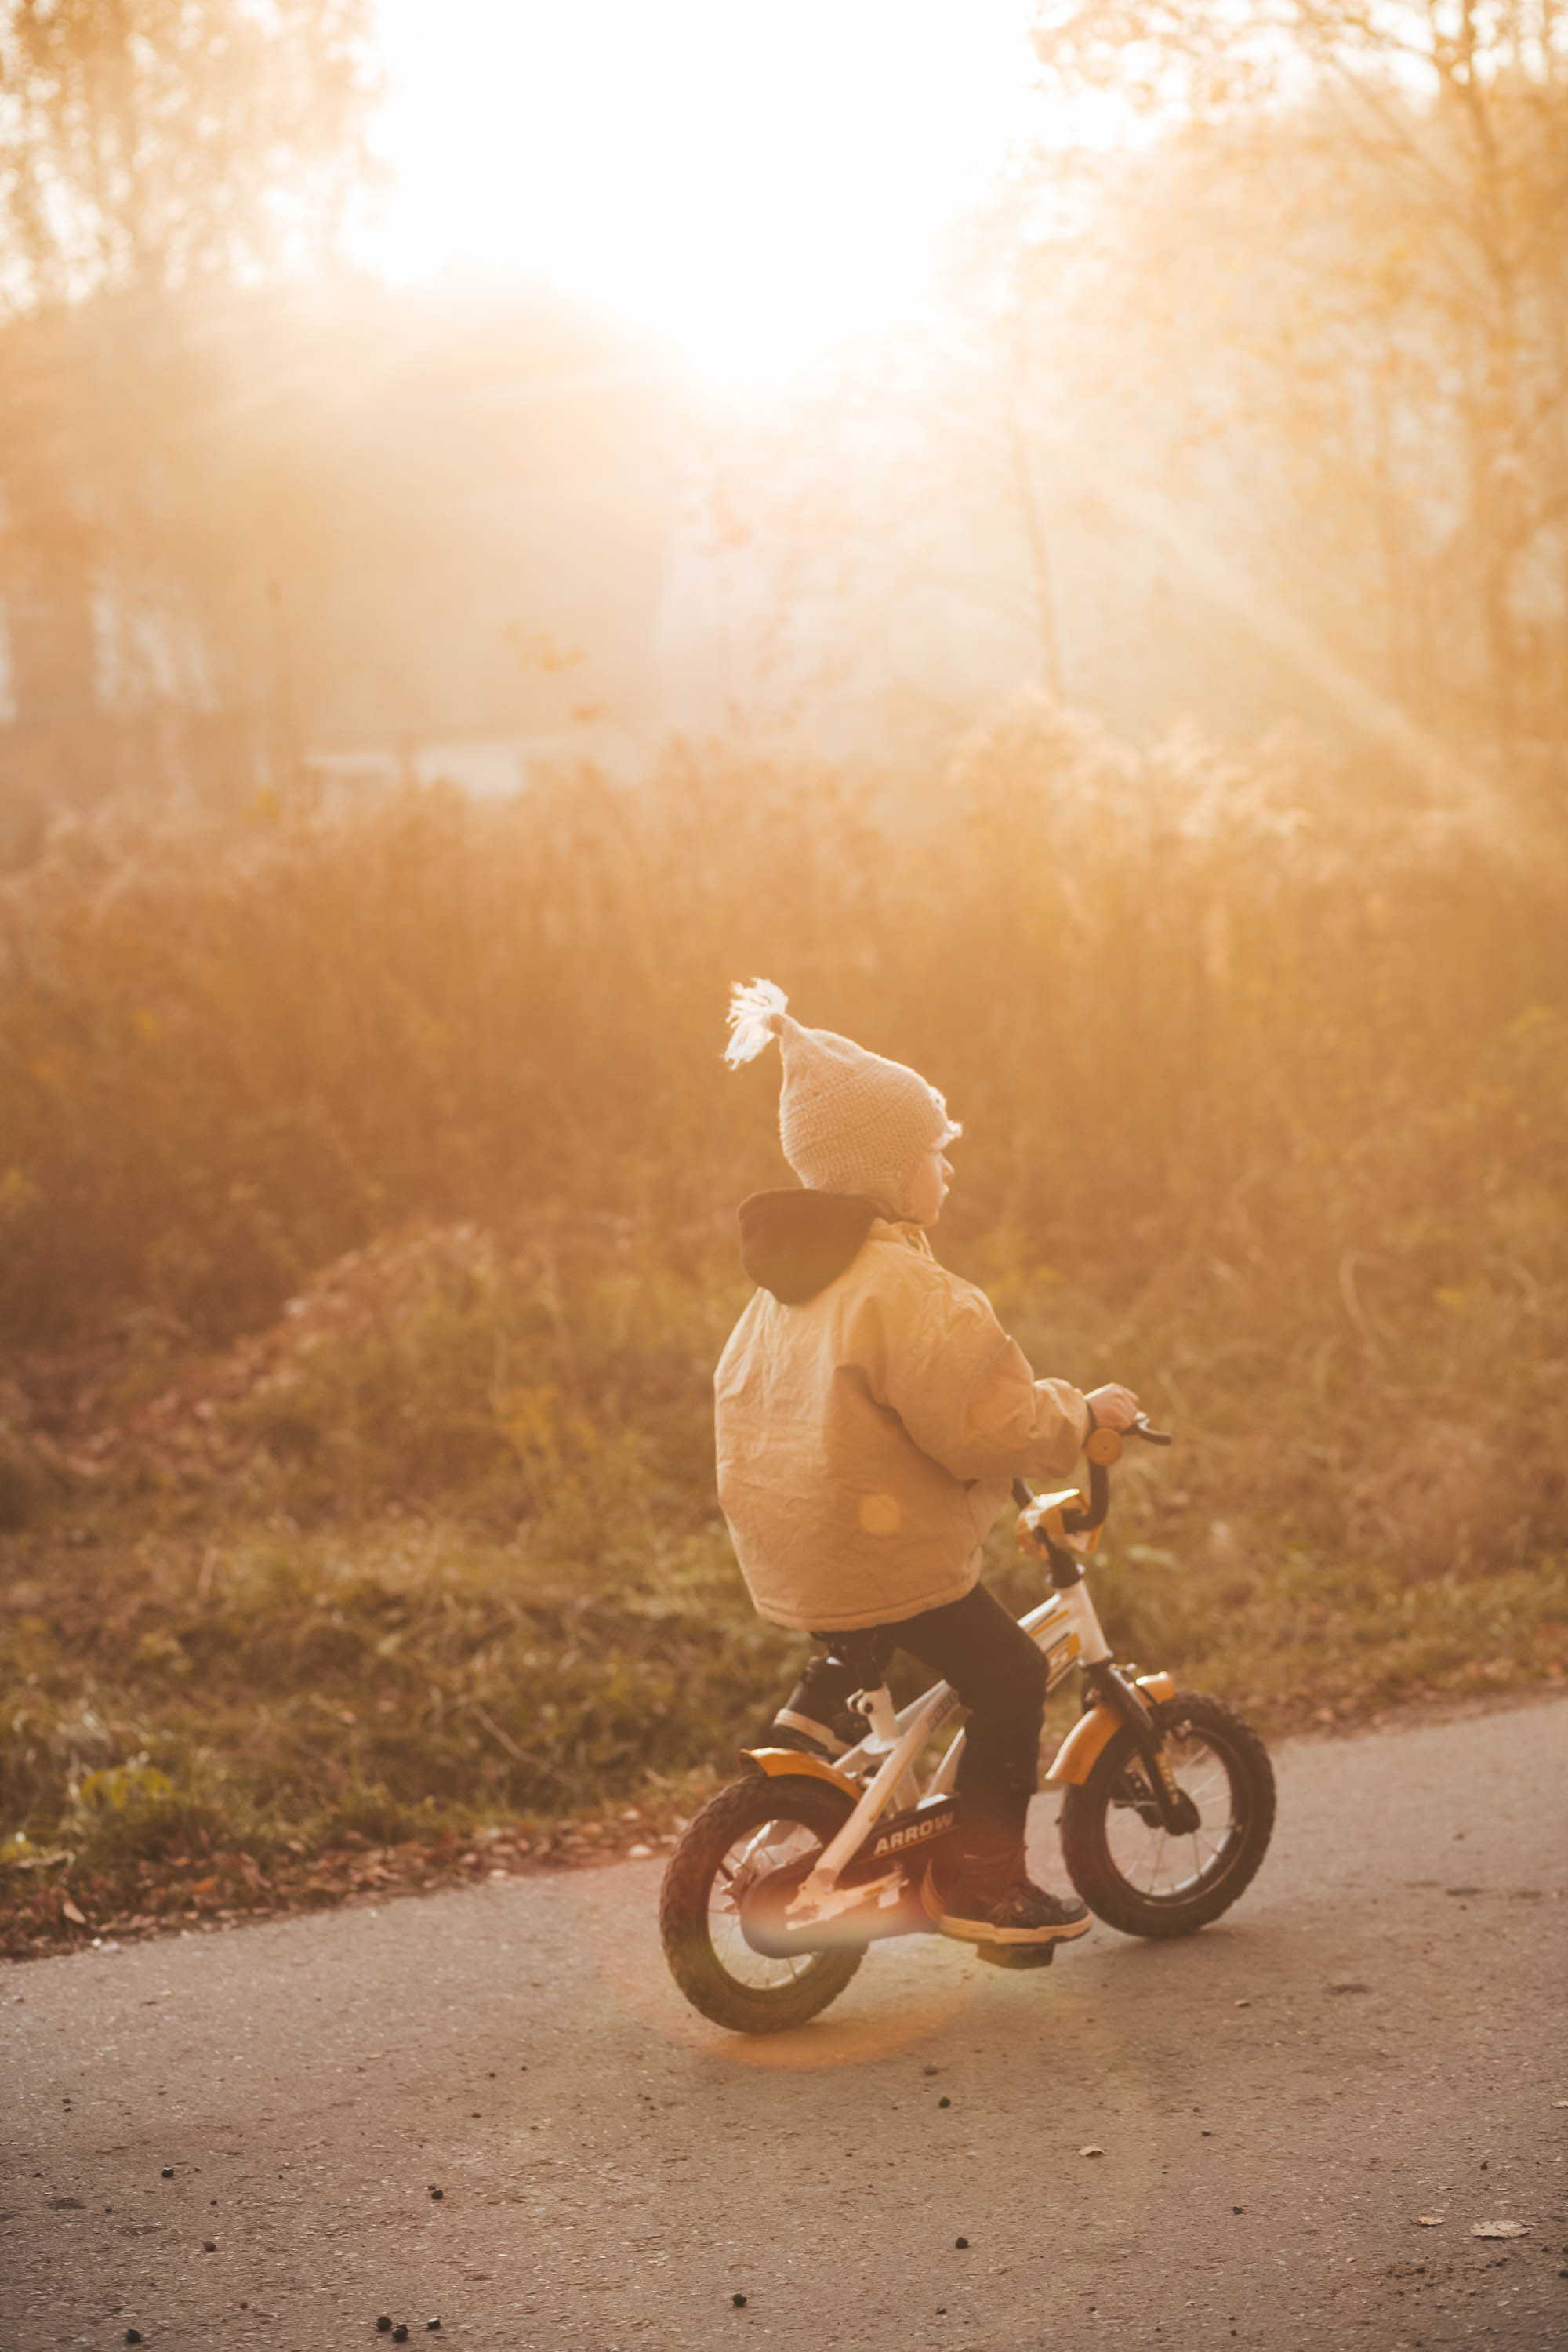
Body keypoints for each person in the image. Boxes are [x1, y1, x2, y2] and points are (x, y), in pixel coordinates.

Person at [713, 978, 1139, 1951]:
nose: (946, 1167)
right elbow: (985, 1429)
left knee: (870, 1630)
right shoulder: (910, 1290)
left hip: (790, 1545)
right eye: (933, 1152)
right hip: (880, 1554)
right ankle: (982, 1883)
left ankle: (810, 1722)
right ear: (883, 1175)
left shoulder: (784, 1290)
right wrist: (1077, 1414)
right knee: (1010, 1675)